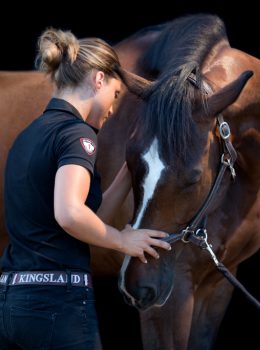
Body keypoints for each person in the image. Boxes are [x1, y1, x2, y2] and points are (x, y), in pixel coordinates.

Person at [0, 28, 171, 349]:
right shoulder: (77, 134)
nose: (113, 108)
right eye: (116, 95)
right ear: (98, 80)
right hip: (57, 305)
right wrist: (123, 240)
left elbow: (90, 216)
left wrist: (128, 169)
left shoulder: (29, 135)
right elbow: (70, 213)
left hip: (11, 302)